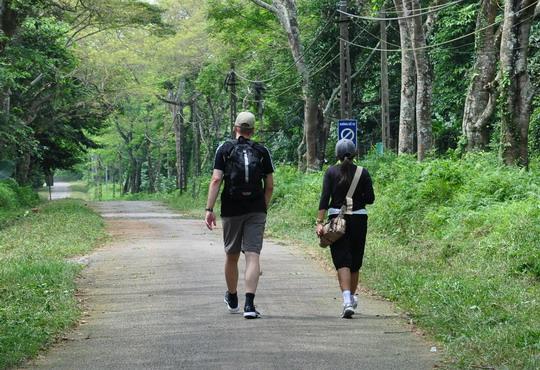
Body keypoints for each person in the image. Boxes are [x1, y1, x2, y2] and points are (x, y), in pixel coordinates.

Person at [205, 111, 274, 319]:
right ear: (252, 130)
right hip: (256, 209)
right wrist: (262, 206)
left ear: (235, 128)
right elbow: (269, 185)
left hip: (231, 208)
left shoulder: (224, 149)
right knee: (253, 255)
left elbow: (216, 180)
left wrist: (209, 209)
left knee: (232, 255)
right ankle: (250, 305)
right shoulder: (262, 151)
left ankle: (233, 297)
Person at [316, 139, 375, 318]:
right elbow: (371, 198)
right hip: (359, 220)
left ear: (337, 154)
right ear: (354, 153)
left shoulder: (331, 172)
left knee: (342, 260)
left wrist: (319, 222)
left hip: (337, 221)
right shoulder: (362, 172)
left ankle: (347, 300)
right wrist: (358, 199)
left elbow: (324, 198)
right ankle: (351, 298)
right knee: (355, 261)